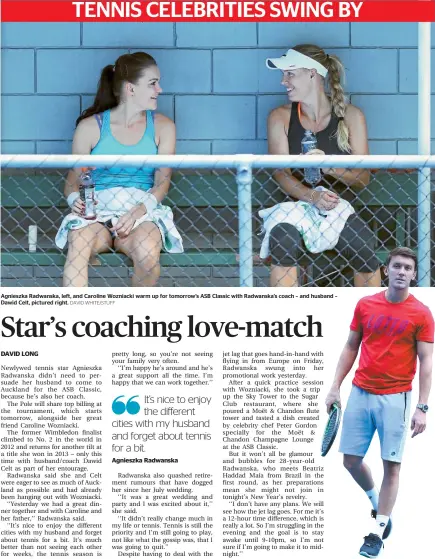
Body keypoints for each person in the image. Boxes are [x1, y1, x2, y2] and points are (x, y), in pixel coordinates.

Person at [325, 247, 434, 557]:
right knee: (349, 461)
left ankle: (377, 532)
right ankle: (377, 504)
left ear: (415, 274)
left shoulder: (422, 313)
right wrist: (335, 387)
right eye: (396, 266)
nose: (401, 271)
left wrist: (422, 407)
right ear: (386, 270)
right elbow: (350, 346)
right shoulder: (365, 305)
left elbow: (426, 361)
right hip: (360, 393)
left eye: (408, 268)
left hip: (396, 398)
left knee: (392, 466)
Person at [56, 52, 183, 287]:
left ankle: (133, 321)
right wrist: (74, 198)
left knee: (147, 256)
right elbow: (72, 181)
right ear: (130, 89)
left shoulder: (163, 127)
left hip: (140, 213)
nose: (160, 90)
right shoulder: (90, 127)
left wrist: (136, 213)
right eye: (153, 83)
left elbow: (162, 183)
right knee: (78, 248)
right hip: (95, 214)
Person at [264, 44, 381, 287]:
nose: (283, 81)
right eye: (283, 74)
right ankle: (286, 321)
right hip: (294, 207)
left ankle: (371, 322)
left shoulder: (351, 116)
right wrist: (311, 196)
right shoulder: (281, 116)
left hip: (340, 208)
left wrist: (327, 166)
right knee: (283, 240)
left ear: (312, 74)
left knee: (363, 245)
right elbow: (281, 174)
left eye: (290, 73)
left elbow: (362, 178)